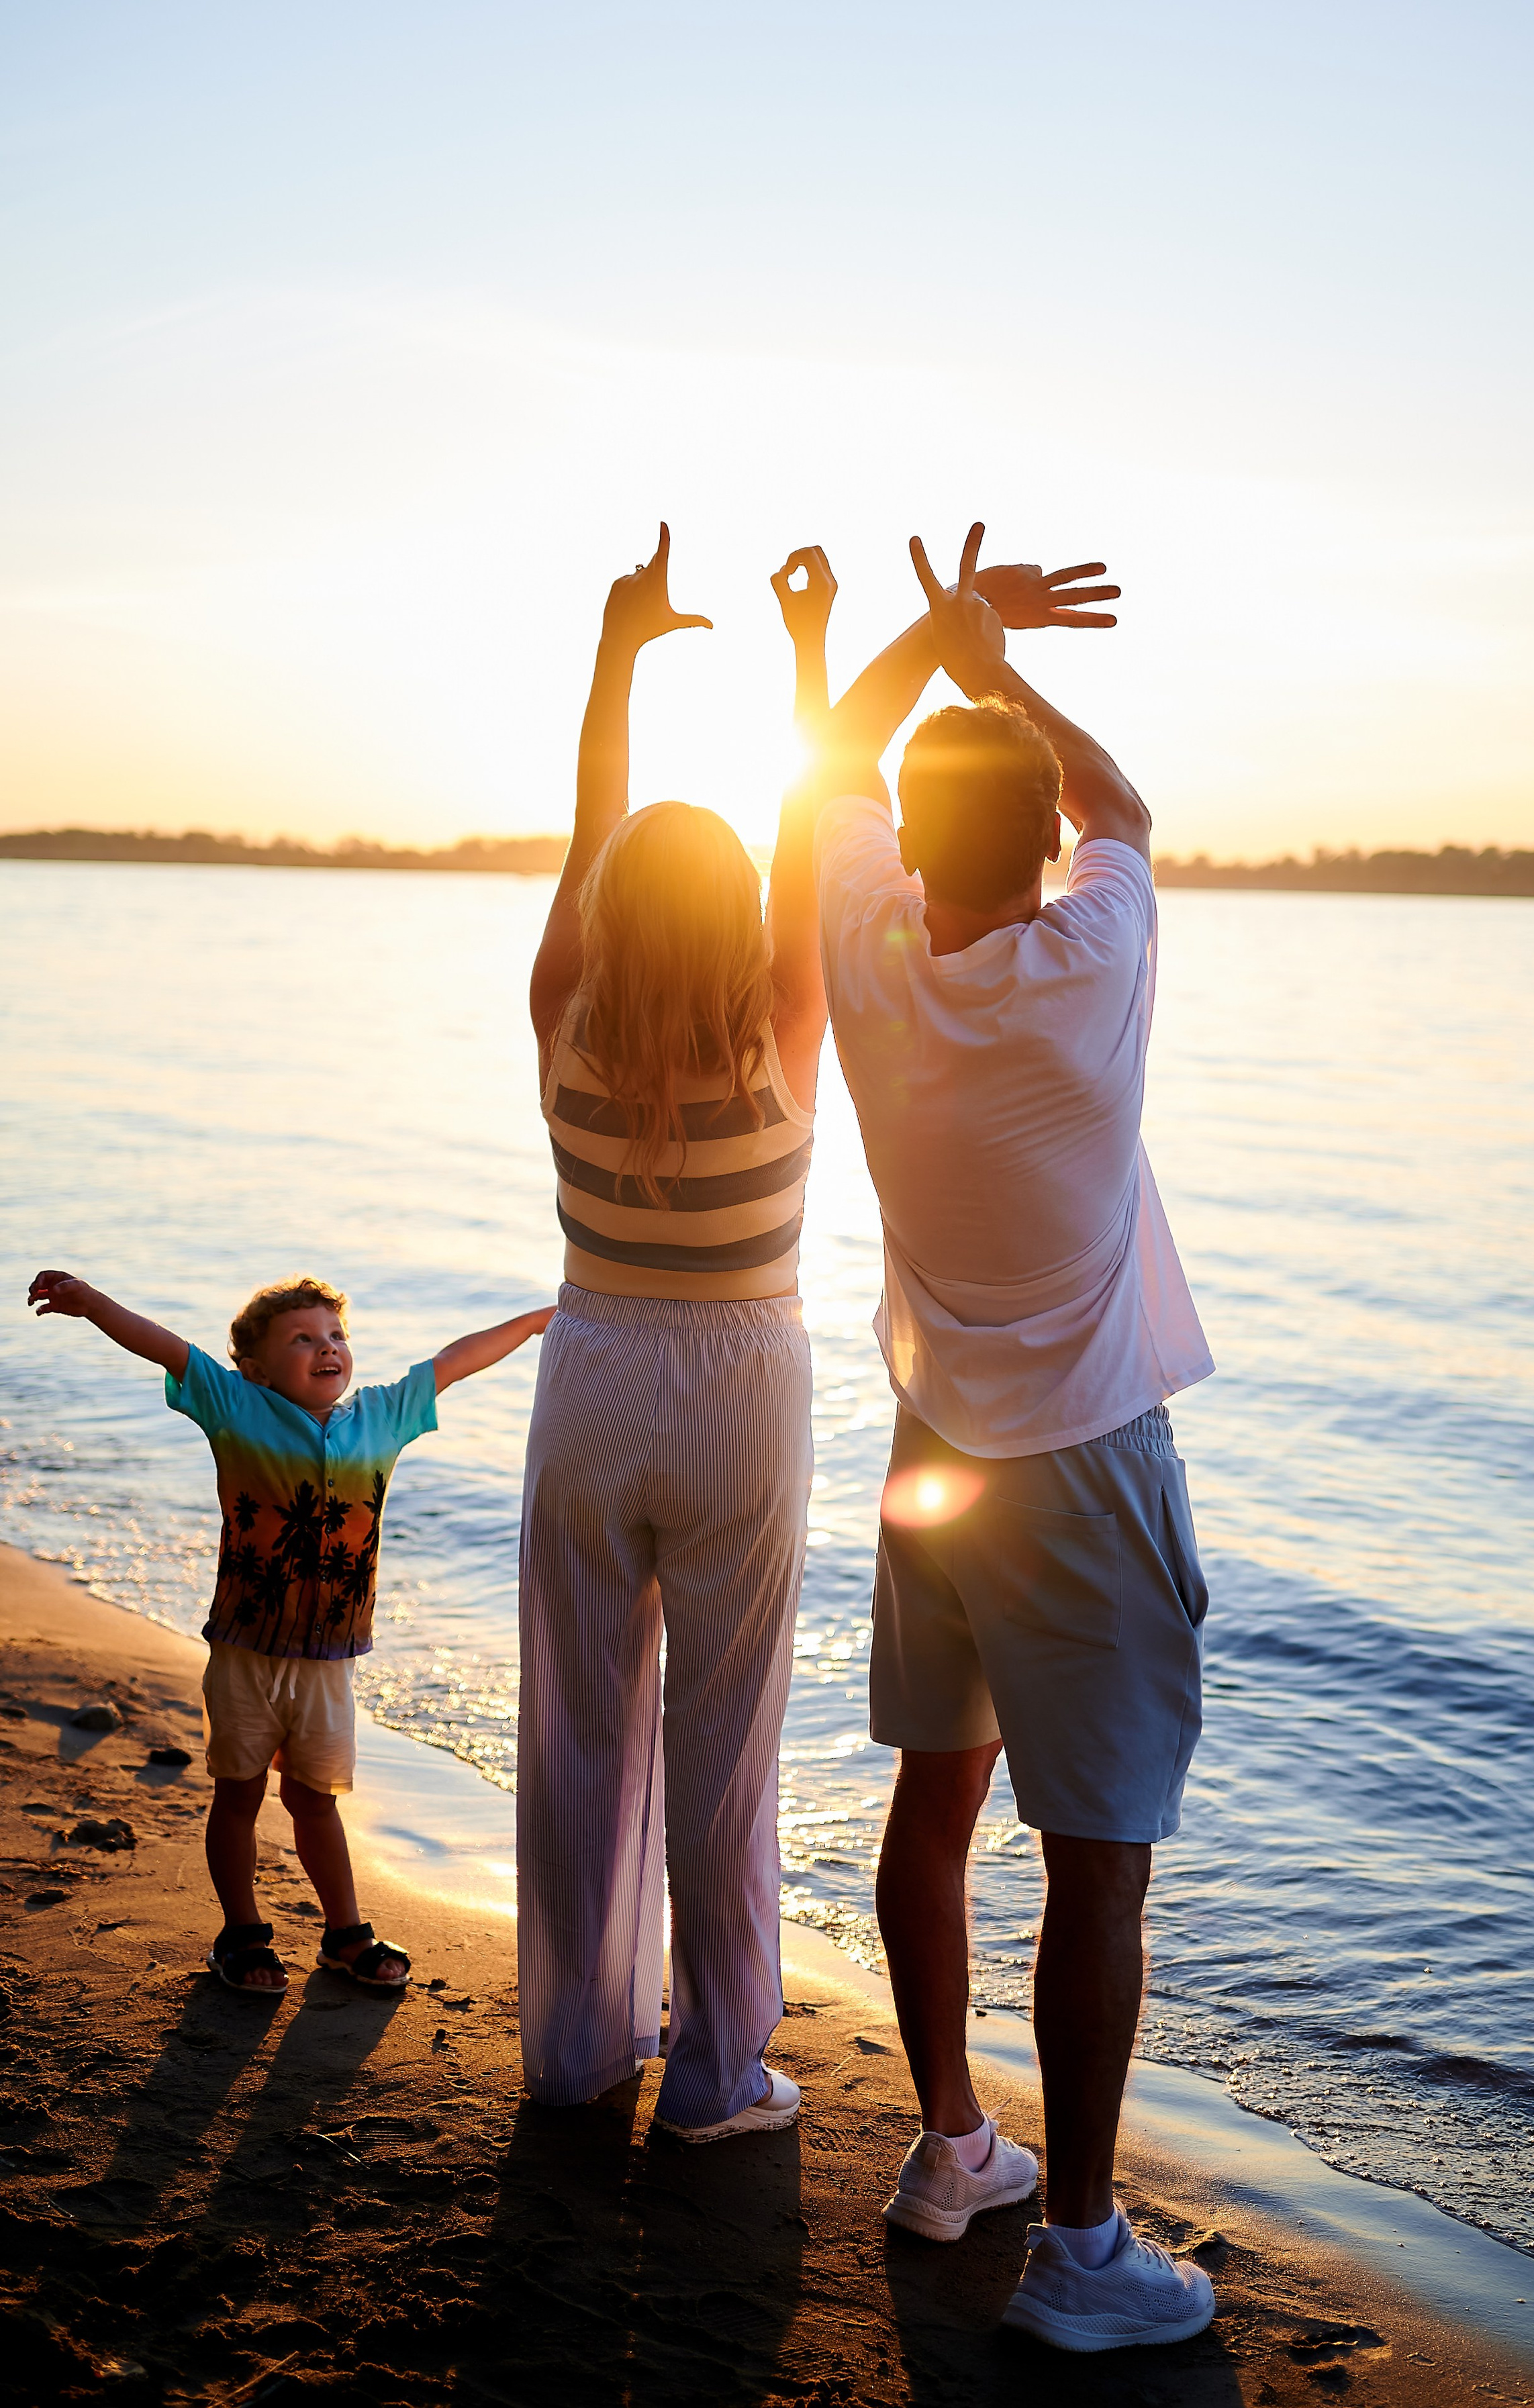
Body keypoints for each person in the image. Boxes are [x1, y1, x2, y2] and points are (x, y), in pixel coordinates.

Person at [811, 523, 1218, 2350]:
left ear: (912, 846)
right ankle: (1076, 2242)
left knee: (939, 1794)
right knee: (1099, 1857)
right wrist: (1004, 670)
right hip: (1084, 1461)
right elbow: (1121, 795)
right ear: (1042, 848)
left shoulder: (867, 957)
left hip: (932, 1451)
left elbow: (833, 765)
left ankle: (952, 2145)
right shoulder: (1092, 965)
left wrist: (934, 636)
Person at [517, 522, 835, 2140]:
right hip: (738, 1388)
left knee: (580, 1725)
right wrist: (806, 653)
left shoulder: (561, 1012)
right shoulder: (786, 1026)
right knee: (726, 1750)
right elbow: (806, 833)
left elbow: (591, 827)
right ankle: (716, 2069)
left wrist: (617, 650)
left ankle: (576, 2046)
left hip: (587, 1374)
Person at [25, 1267, 551, 1996]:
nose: (326, 1347)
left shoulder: (382, 1416)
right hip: (245, 1649)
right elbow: (167, 1348)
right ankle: (241, 1933)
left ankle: (345, 1934)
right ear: (256, 1367)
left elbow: (453, 1361)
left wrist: (532, 1322)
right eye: (302, 1338)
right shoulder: (237, 1407)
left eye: (336, 1334)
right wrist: (91, 1304)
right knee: (238, 1793)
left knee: (315, 1797)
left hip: (331, 1658)